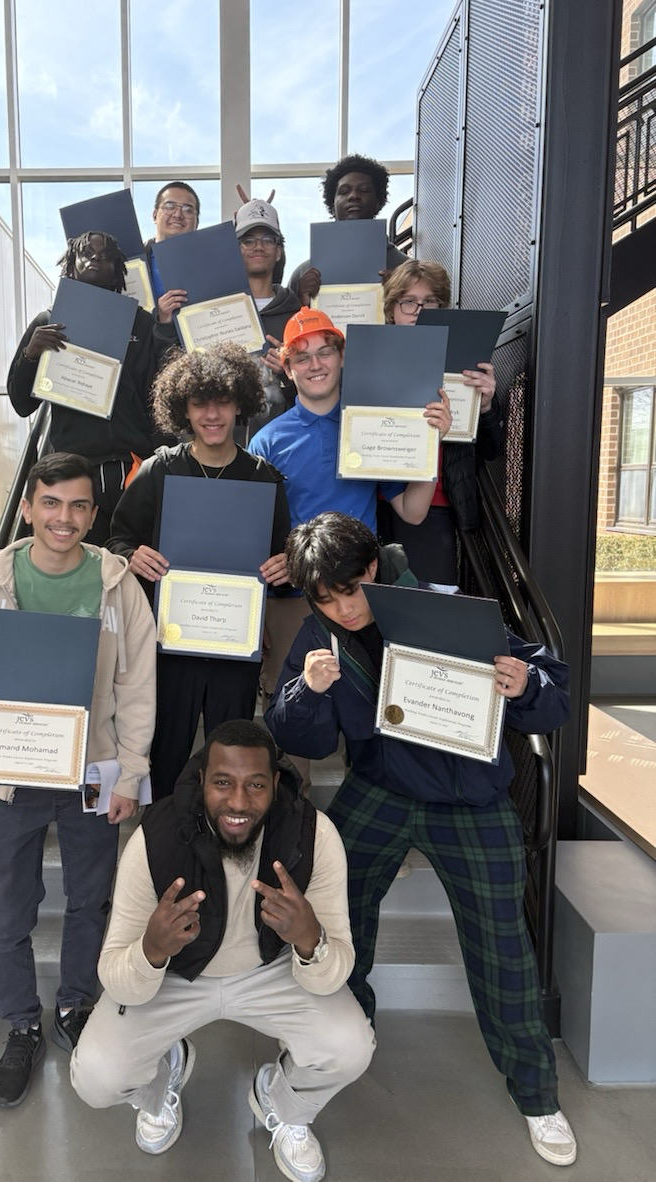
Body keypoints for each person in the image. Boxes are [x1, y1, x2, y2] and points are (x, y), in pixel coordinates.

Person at [265, 512, 577, 1168]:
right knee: (335, 920)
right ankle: (345, 1040)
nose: (343, 609)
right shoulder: (320, 637)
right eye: (324, 598)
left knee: (502, 945)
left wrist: (526, 686)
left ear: (372, 569)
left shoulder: (450, 609)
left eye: (349, 590)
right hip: (380, 788)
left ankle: (536, 1093)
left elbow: (552, 694)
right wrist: (307, 690)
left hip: (472, 798)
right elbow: (304, 739)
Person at [0, 452, 156, 1108]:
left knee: (90, 899)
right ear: (29, 507)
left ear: (94, 513)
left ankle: (75, 1006)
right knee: (6, 909)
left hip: (93, 768)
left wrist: (131, 776)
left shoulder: (119, 585)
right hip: (11, 767)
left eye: (79, 505)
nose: (64, 518)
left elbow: (138, 687)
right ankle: (22, 1023)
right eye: (51, 504)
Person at [70, 719, 375, 1182]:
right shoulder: (155, 836)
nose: (238, 802)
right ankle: (163, 1075)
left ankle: (285, 1105)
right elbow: (116, 975)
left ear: (275, 783)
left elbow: (335, 972)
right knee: (95, 1078)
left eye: (255, 785)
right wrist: (151, 951)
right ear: (201, 781)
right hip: (173, 976)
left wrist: (310, 939)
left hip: (271, 972)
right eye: (222, 783)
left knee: (351, 1046)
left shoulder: (314, 834)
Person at [247, 307, 451, 783]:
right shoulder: (267, 442)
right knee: (292, 706)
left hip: (363, 594)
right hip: (294, 600)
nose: (315, 364)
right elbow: (255, 532)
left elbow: (413, 512)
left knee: (375, 705)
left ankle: (371, 807)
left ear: (342, 357)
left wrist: (431, 443)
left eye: (325, 351)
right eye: (302, 357)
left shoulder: (372, 425)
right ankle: (290, 814)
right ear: (287, 365)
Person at [107, 343, 291, 798]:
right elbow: (115, 541)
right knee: (167, 745)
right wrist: (131, 555)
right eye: (199, 402)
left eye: (222, 401)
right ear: (182, 409)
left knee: (230, 742)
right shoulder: (158, 471)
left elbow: (284, 555)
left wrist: (287, 565)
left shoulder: (263, 477)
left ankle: (225, 828)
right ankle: (168, 831)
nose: (212, 414)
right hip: (171, 640)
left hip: (235, 641)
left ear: (240, 404)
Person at [7, 231, 163, 544]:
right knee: (71, 563)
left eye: (106, 257)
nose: (95, 260)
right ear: (71, 264)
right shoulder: (48, 321)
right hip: (70, 467)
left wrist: (154, 462)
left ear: (119, 269)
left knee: (126, 565)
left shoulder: (141, 324)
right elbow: (21, 403)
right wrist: (30, 355)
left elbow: (155, 399)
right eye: (87, 254)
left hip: (126, 468)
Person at [378, 259, 504, 589]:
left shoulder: (465, 361)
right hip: (378, 503)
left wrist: (486, 406)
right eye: (408, 302)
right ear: (392, 310)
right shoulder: (373, 360)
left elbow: (493, 450)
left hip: (438, 506)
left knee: (430, 608)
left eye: (429, 301)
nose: (419, 310)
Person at [154, 197, 302, 440]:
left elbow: (311, 392)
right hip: (210, 447)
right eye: (248, 240)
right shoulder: (205, 310)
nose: (258, 247)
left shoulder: (295, 317)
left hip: (273, 449)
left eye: (267, 239)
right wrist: (164, 323)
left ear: (278, 252)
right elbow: (171, 370)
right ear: (235, 250)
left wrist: (289, 373)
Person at [288, 154, 410, 307]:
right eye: (344, 191)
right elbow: (287, 328)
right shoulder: (302, 274)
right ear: (332, 206)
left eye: (364, 190)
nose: (354, 196)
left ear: (378, 203)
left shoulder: (406, 270)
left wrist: (403, 296)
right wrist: (302, 302)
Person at [143, 181, 202, 315]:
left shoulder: (212, 263)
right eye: (169, 206)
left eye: (188, 210)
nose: (178, 215)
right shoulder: (130, 264)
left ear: (196, 222)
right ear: (154, 216)